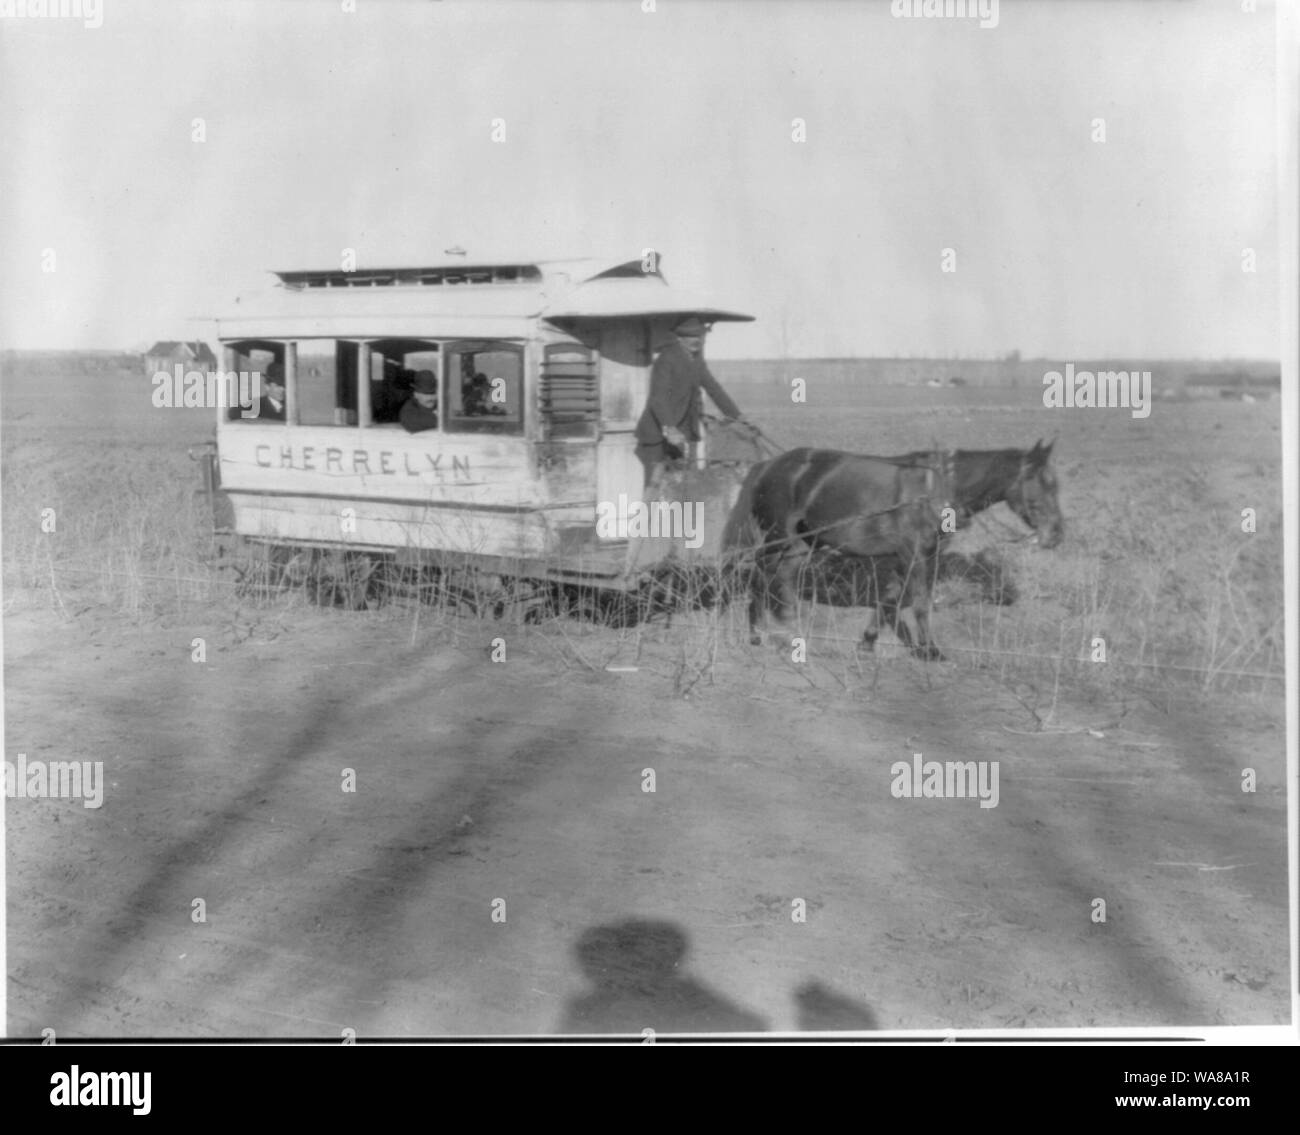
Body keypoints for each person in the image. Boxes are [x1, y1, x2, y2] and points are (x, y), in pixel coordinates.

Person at [635, 315, 743, 485]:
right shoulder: (666, 359)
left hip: (683, 434)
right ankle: (648, 512)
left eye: (699, 336)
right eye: (691, 336)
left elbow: (714, 389)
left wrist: (738, 417)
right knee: (655, 486)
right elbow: (659, 399)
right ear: (679, 338)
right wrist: (670, 428)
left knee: (681, 486)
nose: (697, 340)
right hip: (656, 436)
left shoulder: (696, 360)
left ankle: (678, 512)